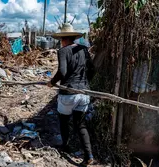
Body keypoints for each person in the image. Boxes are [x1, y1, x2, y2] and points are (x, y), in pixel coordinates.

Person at [47, 23, 95, 166]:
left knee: (64, 121)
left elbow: (62, 71)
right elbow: (93, 70)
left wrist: (51, 82)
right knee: (81, 125)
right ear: (73, 37)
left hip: (68, 93)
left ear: (63, 39)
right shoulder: (84, 50)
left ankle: (66, 146)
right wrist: (84, 83)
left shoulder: (63, 51)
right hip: (84, 93)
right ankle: (89, 156)